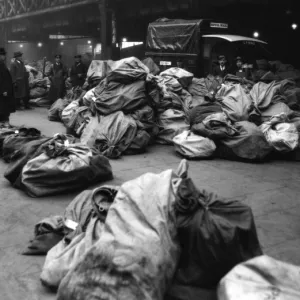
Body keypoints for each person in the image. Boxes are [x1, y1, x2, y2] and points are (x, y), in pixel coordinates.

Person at [0, 48, 16, 127]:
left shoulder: (2, 63)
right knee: (3, 107)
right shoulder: (0, 64)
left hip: (5, 89)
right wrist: (3, 90)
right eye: (3, 55)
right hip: (3, 91)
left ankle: (4, 121)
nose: (4, 57)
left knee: (4, 107)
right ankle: (4, 121)